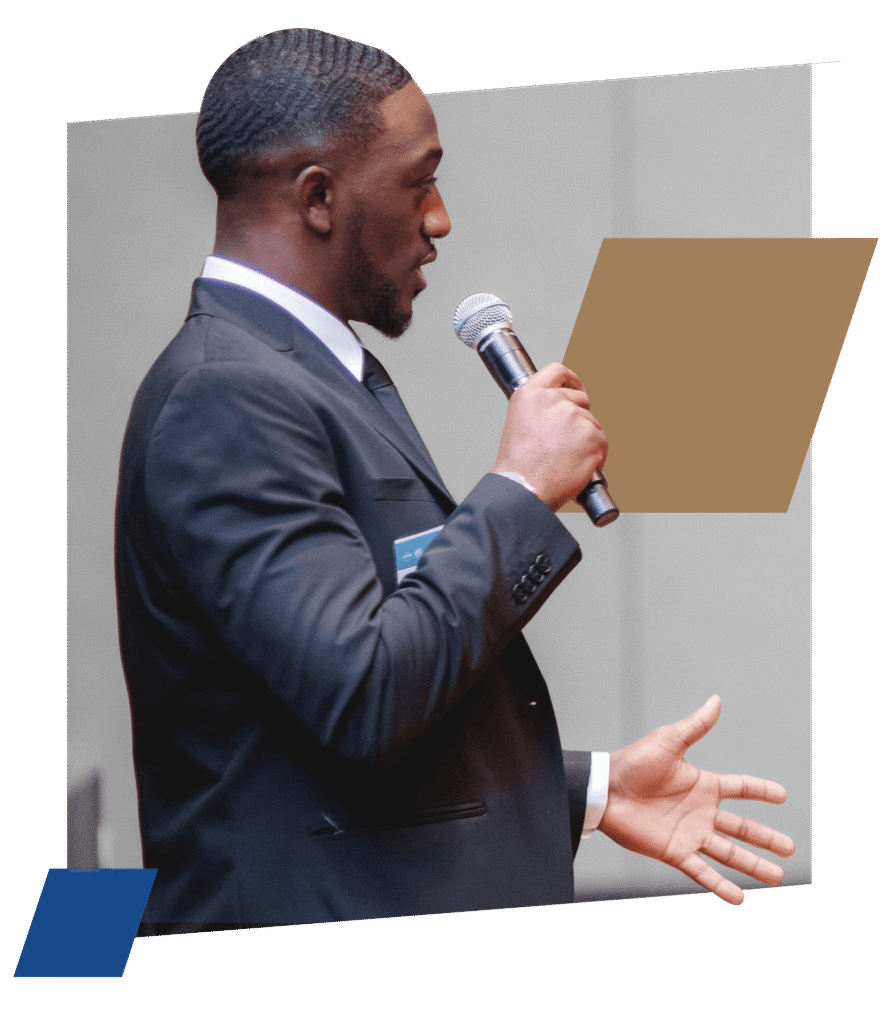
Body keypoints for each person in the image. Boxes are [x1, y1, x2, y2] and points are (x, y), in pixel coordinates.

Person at [116, 28, 794, 935]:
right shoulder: (224, 397)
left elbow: (313, 726)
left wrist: (594, 790)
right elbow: (365, 693)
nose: (439, 219)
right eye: (419, 181)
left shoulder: (307, 377)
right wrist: (518, 489)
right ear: (318, 197)